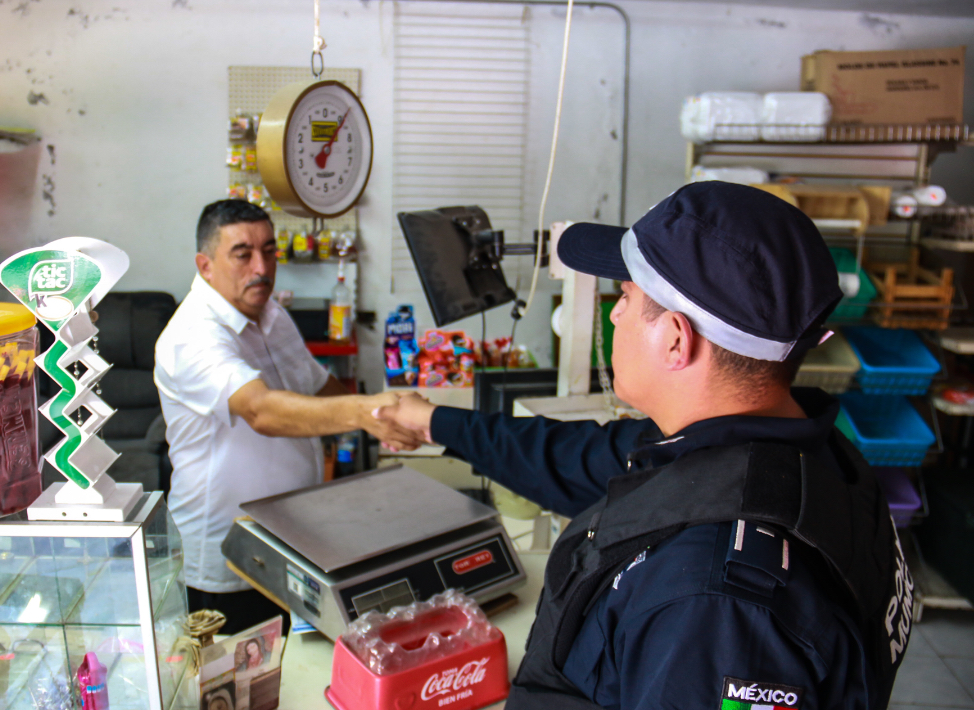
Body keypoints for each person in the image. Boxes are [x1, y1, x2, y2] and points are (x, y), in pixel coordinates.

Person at [377, 182, 910, 709]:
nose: (614, 315)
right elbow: (574, 457)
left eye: (626, 298)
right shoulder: (793, 454)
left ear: (676, 339)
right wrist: (432, 423)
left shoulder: (716, 605)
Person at [155, 199, 418, 635]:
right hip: (228, 562)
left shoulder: (271, 314)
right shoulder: (192, 336)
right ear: (205, 265)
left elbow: (317, 383)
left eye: (269, 251)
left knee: (296, 667)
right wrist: (367, 414)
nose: (262, 268)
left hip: (292, 542)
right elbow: (261, 410)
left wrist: (383, 413)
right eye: (243, 254)